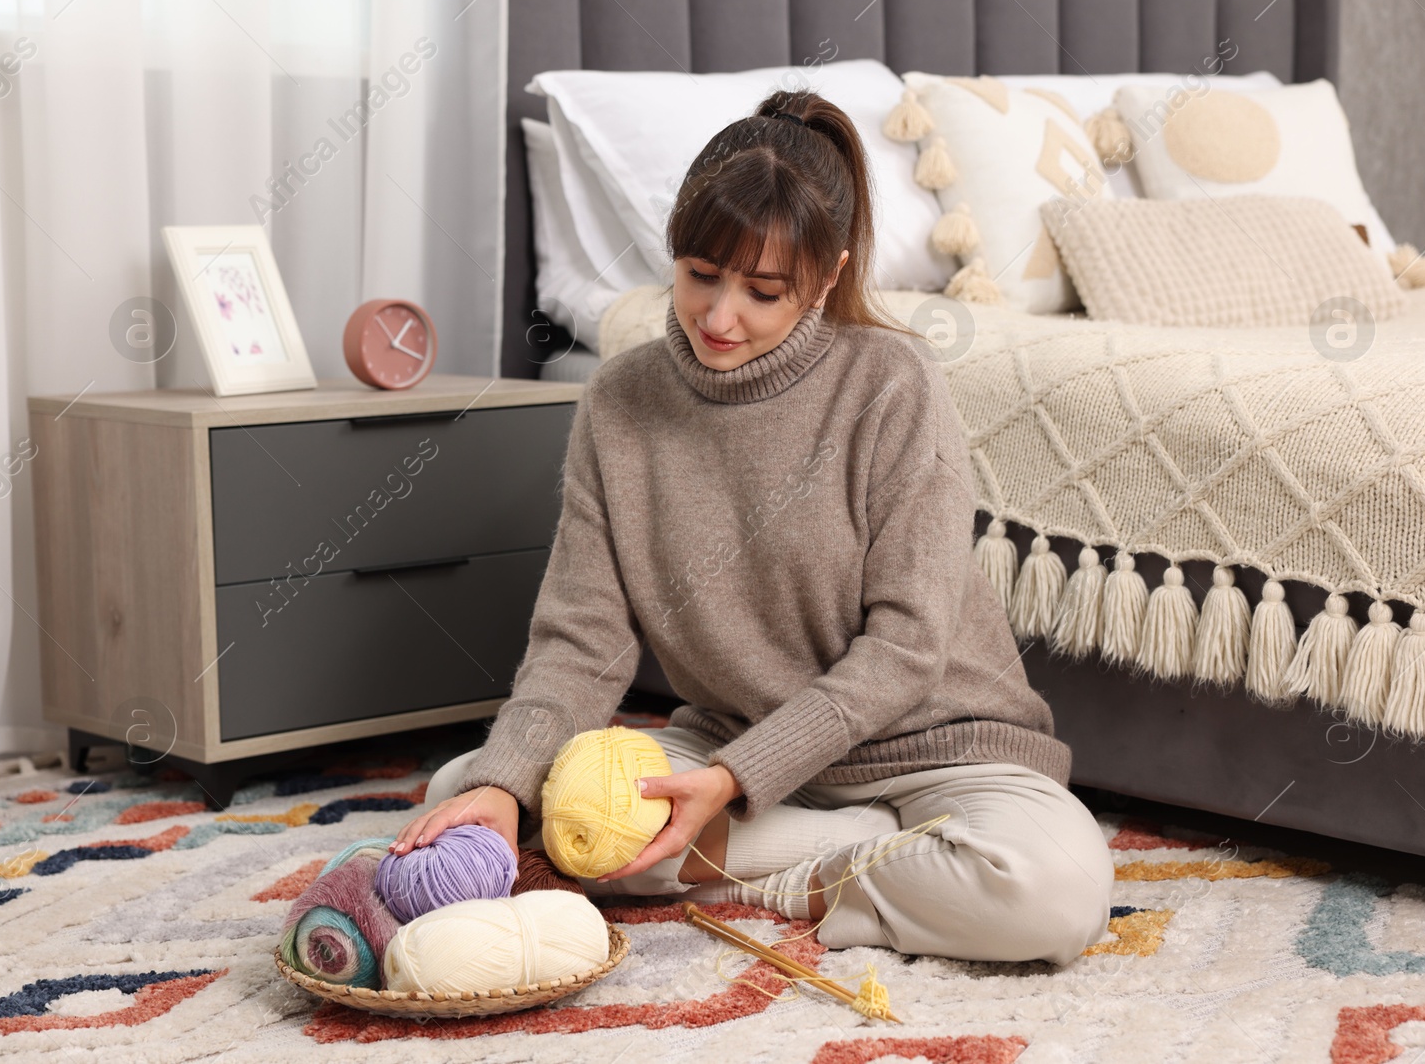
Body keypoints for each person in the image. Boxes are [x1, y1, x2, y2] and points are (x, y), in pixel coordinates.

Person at [393, 88, 1114, 964]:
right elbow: (580, 641)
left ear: (829, 274)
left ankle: (795, 860)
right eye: (700, 274)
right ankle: (867, 860)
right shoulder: (620, 403)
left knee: (1053, 894)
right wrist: (506, 787)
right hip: (733, 740)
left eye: (763, 291)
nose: (719, 318)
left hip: (937, 748)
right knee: (466, 793)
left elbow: (907, 645)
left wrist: (734, 786)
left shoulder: (891, 383)